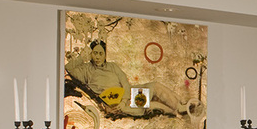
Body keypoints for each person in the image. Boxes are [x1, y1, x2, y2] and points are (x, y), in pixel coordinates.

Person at [66, 40, 200, 117]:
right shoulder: (86, 70)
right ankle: (176, 111)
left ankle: (179, 107)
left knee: (155, 86)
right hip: (114, 103)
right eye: (95, 53)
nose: (97, 56)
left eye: (101, 53)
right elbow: (69, 68)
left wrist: (124, 100)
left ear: (105, 54)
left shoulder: (112, 66)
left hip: (127, 96)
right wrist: (82, 57)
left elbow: (125, 82)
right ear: (91, 54)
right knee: (152, 106)